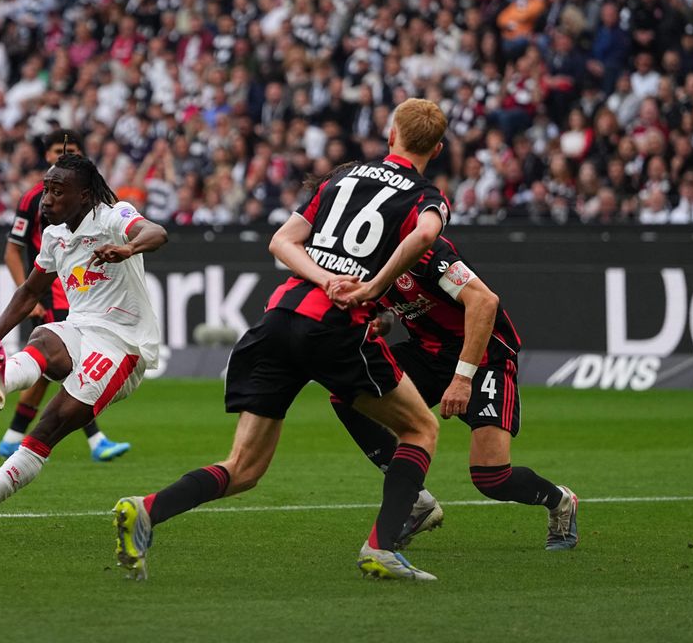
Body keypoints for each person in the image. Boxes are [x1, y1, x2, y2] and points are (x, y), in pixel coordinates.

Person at [110, 98, 451, 582]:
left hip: (279, 319)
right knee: (421, 429)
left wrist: (324, 277)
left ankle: (147, 509)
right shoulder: (424, 195)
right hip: (335, 330)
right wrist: (370, 288)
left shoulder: (341, 178)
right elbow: (425, 235)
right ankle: (381, 547)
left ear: (391, 135)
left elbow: (281, 242)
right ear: (436, 148)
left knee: (244, 468)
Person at [0, 154, 167, 542]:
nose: (47, 200)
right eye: (45, 190)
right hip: (80, 327)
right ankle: (1, 376)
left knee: (47, 427)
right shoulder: (55, 237)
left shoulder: (112, 216)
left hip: (122, 346)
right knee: (43, 338)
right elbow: (30, 291)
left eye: (58, 192)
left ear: (85, 196)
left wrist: (128, 248)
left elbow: (157, 233)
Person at [329, 235, 579, 551]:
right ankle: (416, 500)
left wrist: (462, 379)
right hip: (427, 353)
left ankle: (560, 502)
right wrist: (380, 322)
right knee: (349, 392)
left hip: (485, 356)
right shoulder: (362, 259)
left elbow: (485, 302)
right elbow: (389, 312)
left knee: (492, 478)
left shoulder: (425, 250)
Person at [0, 129, 131, 462]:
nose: (62, 154)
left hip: (81, 298)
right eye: (57, 150)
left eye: (69, 150)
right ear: (46, 157)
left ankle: (13, 436)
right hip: (51, 299)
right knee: (69, 370)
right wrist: (31, 302)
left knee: (55, 373)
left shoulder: (98, 207)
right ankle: (94, 440)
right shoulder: (33, 200)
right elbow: (13, 252)